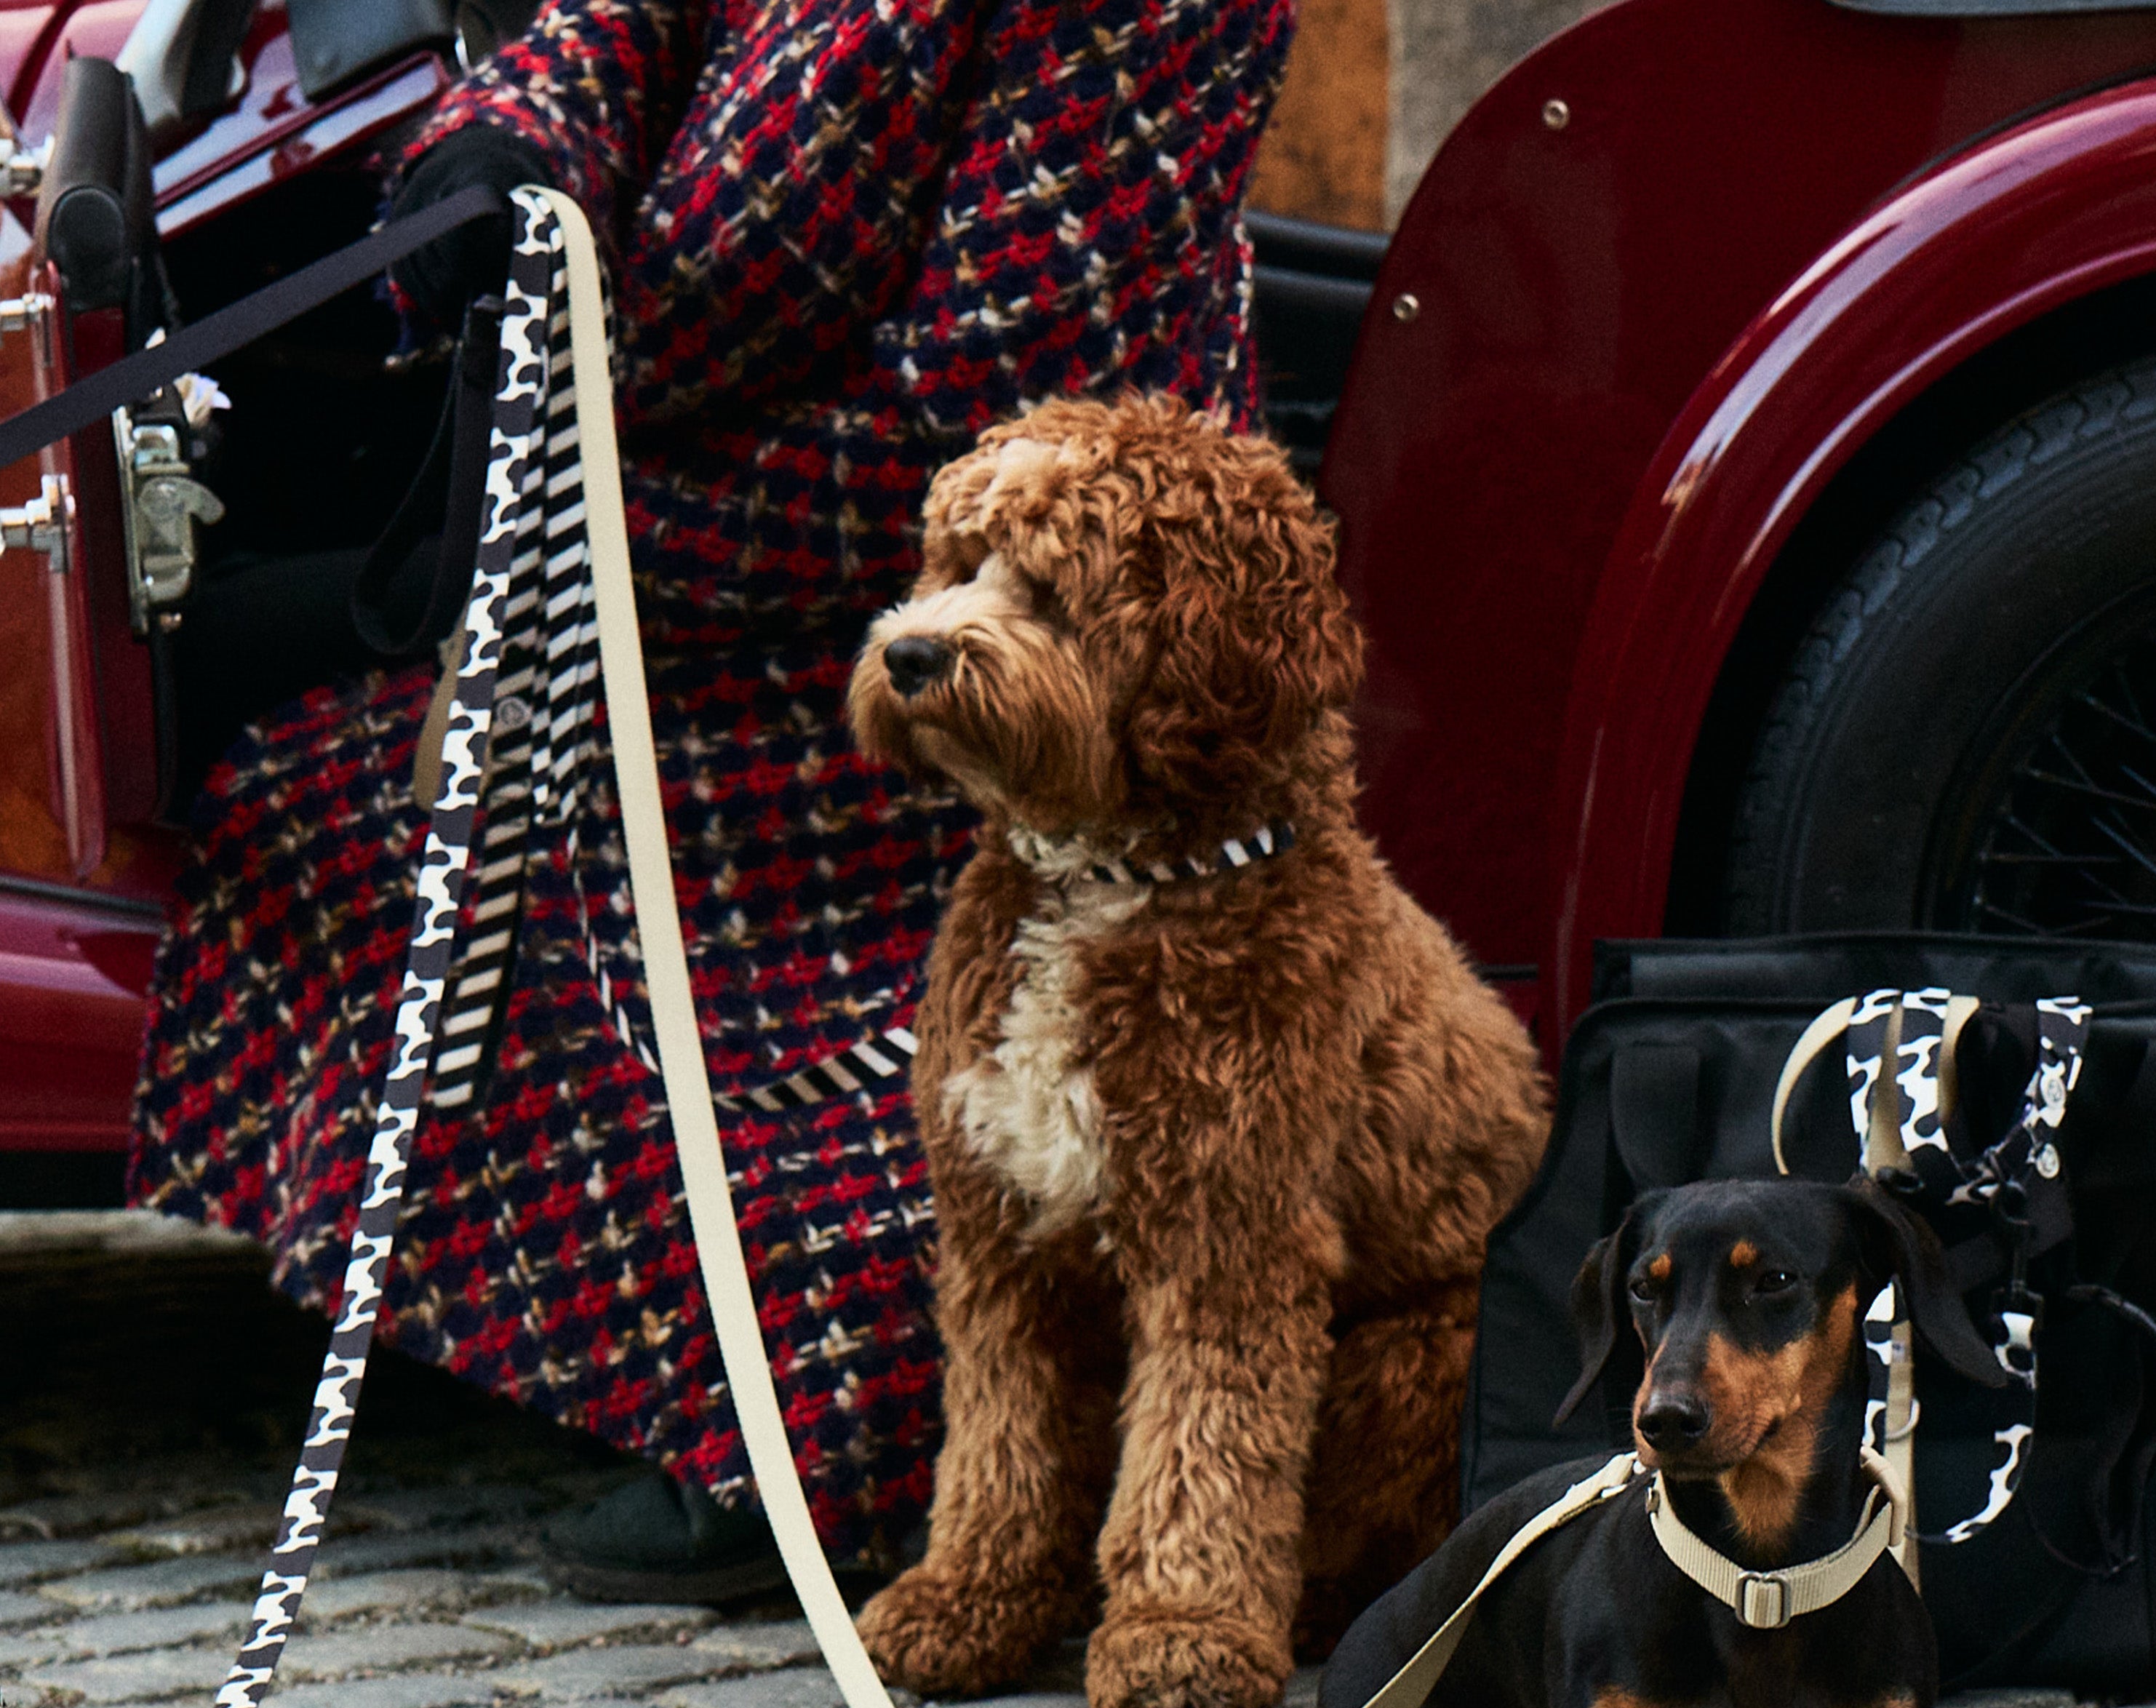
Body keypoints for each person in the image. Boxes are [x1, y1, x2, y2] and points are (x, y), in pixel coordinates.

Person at [129, 0, 1295, 1602]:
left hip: (965, 631)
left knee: (402, 823)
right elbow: (620, 17)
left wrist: (580, 540)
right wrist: (511, 149)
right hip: (656, 501)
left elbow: (961, 423)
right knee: (276, 765)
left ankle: (816, 1428)